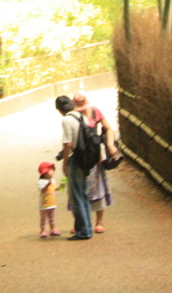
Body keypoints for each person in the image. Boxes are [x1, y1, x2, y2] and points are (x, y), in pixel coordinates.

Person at [70, 90, 120, 233]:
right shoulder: (72, 115)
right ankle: (80, 220)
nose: (79, 104)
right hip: (79, 155)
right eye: (77, 101)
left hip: (94, 155)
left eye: (81, 101)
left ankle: (99, 221)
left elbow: (108, 128)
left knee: (97, 187)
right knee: (78, 189)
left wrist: (110, 145)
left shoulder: (95, 111)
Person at [55, 94, 92, 240]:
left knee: (76, 197)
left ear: (59, 109)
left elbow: (68, 144)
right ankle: (87, 228)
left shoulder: (67, 120)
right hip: (86, 158)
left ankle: (82, 232)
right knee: (83, 195)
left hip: (75, 159)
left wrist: (64, 164)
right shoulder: (81, 116)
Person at [37, 161, 61, 238]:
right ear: (45, 173)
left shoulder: (53, 180)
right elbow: (43, 190)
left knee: (52, 218)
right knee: (43, 218)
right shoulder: (41, 181)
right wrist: (47, 184)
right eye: (50, 170)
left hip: (52, 203)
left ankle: (53, 229)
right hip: (44, 204)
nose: (52, 172)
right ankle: (42, 230)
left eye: (52, 170)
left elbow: (55, 188)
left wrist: (61, 186)